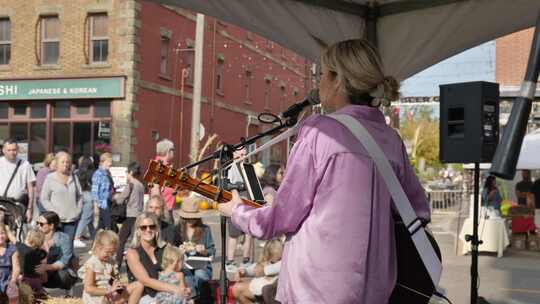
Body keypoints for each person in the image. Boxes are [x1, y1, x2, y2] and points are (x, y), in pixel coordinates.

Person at [218, 39, 430, 303]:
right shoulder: (390, 139)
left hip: (315, 290)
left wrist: (237, 210)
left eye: (321, 75)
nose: (318, 85)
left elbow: (280, 219)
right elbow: (419, 211)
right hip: (376, 292)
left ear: (337, 79)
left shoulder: (320, 131)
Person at [126, 213, 186, 303]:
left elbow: (177, 270)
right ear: (137, 231)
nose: (148, 230)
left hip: (167, 293)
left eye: (152, 226)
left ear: (157, 229)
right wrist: (175, 289)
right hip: (146, 295)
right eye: (143, 227)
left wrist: (183, 289)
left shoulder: (165, 248)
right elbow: (146, 281)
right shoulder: (133, 252)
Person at [78, 230, 143, 304]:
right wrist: (108, 291)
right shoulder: (92, 264)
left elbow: (111, 280)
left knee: (138, 285)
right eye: (108, 252)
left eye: (113, 253)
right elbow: (88, 288)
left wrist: (117, 285)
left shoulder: (110, 261)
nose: (110, 255)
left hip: (111, 295)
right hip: (97, 299)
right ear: (98, 248)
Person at [174, 198, 215, 298]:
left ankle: (198, 297)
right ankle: (195, 298)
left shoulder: (205, 229)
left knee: (200, 274)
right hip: (184, 264)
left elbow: (212, 251)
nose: (190, 220)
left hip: (201, 264)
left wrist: (204, 250)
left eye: (193, 217)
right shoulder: (177, 229)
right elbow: (171, 252)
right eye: (187, 217)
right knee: (186, 276)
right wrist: (178, 251)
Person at [40, 151, 83, 243]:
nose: (65, 164)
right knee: (56, 246)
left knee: (68, 247)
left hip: (72, 219)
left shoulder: (74, 177)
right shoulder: (50, 178)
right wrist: (54, 212)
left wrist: (78, 210)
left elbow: (79, 196)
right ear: (57, 163)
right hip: (56, 221)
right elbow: (44, 199)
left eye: (67, 162)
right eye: (62, 162)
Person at [35, 211, 77, 290]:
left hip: (57, 270)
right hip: (40, 269)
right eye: (37, 223)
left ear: (51, 226)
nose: (37, 226)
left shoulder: (64, 238)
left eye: (41, 224)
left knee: (64, 276)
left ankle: (68, 292)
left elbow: (65, 260)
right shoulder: (34, 236)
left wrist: (47, 267)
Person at [232, 239, 283, 304]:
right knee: (236, 288)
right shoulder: (267, 260)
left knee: (266, 290)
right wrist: (244, 271)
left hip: (274, 290)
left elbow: (280, 266)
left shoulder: (285, 262)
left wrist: (264, 270)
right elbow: (255, 268)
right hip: (259, 289)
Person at [226, 147, 253, 267]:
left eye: (244, 151)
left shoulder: (248, 167)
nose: (243, 153)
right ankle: (230, 260)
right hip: (235, 205)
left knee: (248, 234)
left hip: (248, 203)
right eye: (239, 151)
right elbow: (231, 188)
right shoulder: (231, 168)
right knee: (234, 235)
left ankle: (246, 260)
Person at [114, 162, 145, 267]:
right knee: (135, 240)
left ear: (131, 172)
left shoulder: (131, 184)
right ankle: (138, 262)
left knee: (121, 239)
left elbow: (120, 199)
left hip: (130, 214)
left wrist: (115, 197)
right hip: (139, 214)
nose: (126, 174)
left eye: (127, 172)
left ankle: (118, 262)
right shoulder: (141, 185)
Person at [0, 139, 36, 224]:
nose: (12, 152)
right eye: (9, 150)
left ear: (18, 150)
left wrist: (30, 209)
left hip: (17, 206)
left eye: (14, 150)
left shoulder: (25, 164)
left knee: (16, 233)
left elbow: (30, 188)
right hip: (1, 204)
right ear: (3, 150)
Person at [151, 139, 176, 223]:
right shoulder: (159, 166)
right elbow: (155, 190)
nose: (174, 152)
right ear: (168, 151)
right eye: (173, 150)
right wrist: (160, 209)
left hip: (167, 208)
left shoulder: (165, 166)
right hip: (163, 210)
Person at [17, 228, 47, 298]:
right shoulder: (41, 253)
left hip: (24, 279)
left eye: (27, 236)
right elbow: (44, 277)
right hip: (36, 280)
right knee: (39, 295)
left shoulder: (22, 249)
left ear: (29, 239)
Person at [74, 156, 96, 248]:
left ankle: (95, 237)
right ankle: (76, 237)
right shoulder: (92, 173)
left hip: (80, 195)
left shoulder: (76, 172)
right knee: (86, 218)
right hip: (89, 195)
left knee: (89, 220)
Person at [92, 152, 114, 231]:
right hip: (102, 203)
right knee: (108, 225)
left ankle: (96, 241)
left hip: (107, 202)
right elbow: (95, 191)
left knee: (101, 226)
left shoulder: (107, 173)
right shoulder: (98, 174)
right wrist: (96, 205)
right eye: (109, 162)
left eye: (111, 162)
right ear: (102, 162)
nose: (110, 164)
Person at [0, 225, 20, 304]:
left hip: (8, 279)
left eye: (2, 233)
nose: (0, 236)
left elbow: (16, 267)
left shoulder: (12, 249)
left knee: (13, 293)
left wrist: (13, 280)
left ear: (7, 235)